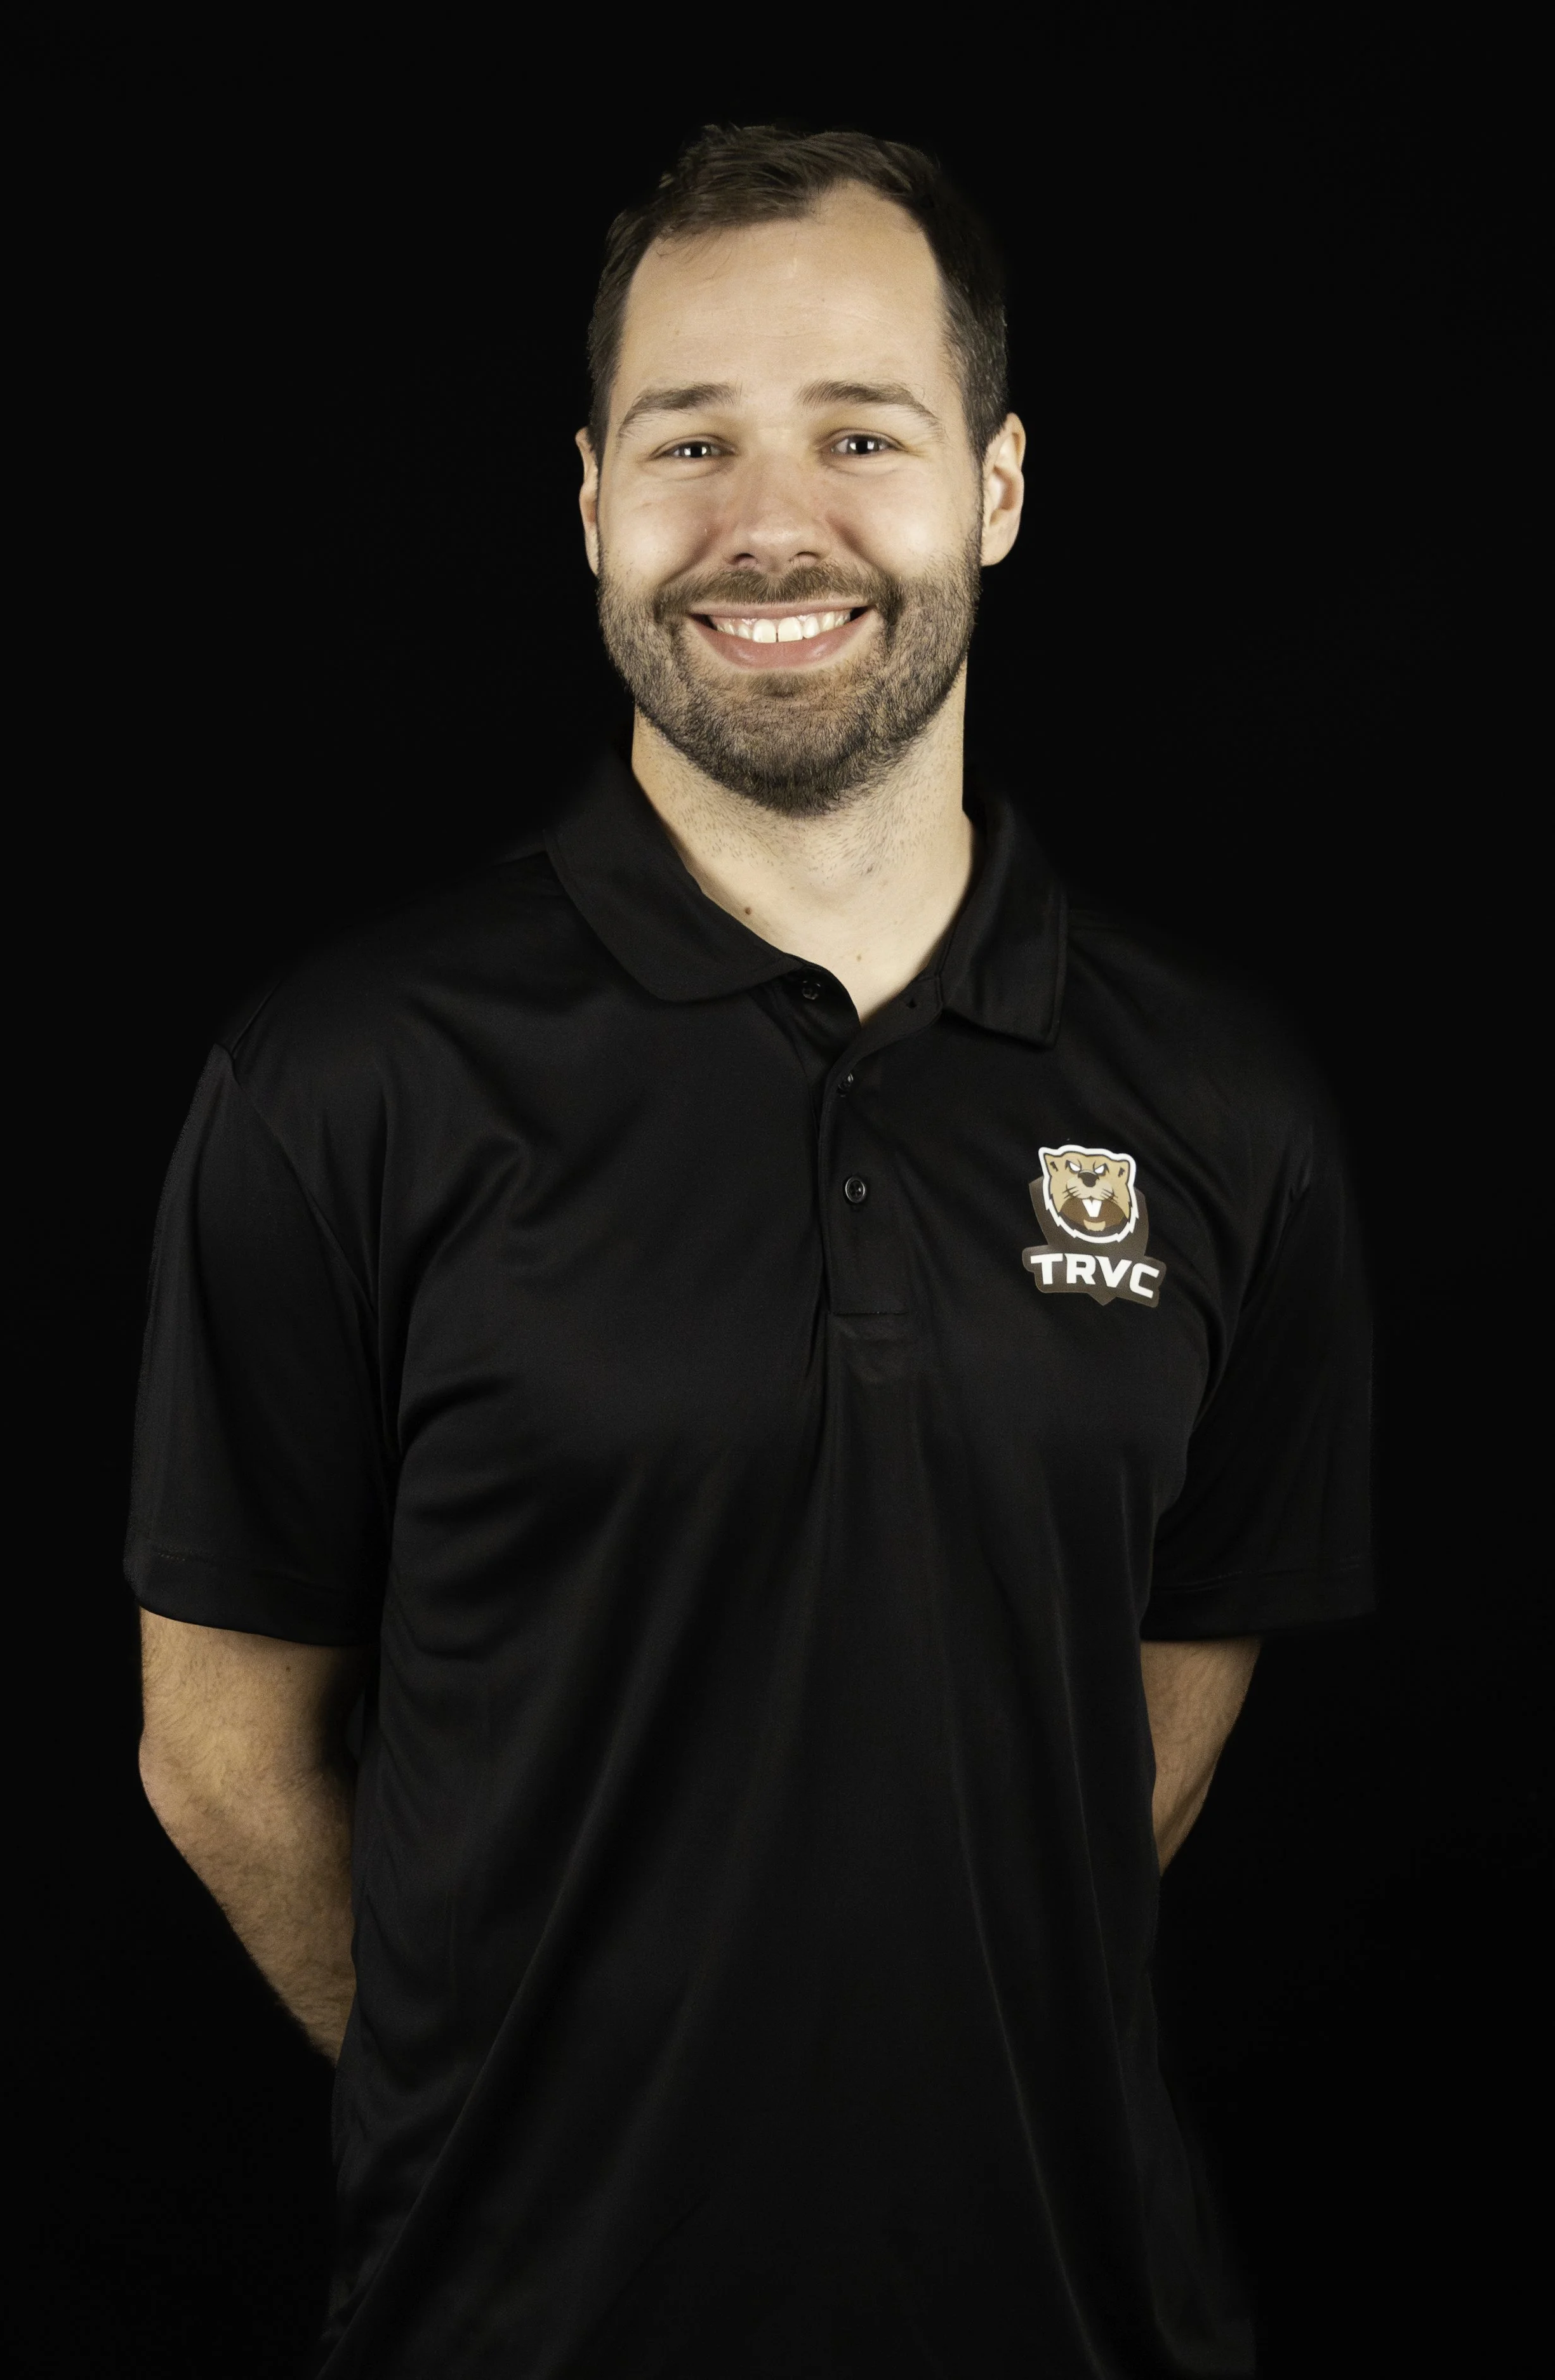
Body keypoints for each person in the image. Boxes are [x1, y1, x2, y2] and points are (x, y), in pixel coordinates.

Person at [128, 126, 1371, 2379]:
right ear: (589, 499)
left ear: (995, 486)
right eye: (689, 441)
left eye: (860, 435)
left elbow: (1161, 1702)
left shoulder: (1222, 1103)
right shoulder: (343, 1082)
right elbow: (217, 1748)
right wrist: (505, 2113)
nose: (767, 524)